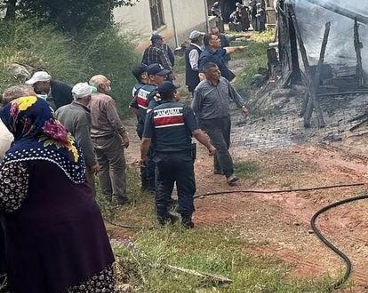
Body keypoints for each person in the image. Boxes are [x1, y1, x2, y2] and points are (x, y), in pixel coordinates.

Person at [0, 96, 118, 293]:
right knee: (81, 278)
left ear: (21, 122)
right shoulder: (65, 140)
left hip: (45, 234)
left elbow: (8, 200)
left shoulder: (20, 154)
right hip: (84, 223)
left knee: (51, 283)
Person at [142, 81, 215, 228]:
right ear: (173, 94)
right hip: (183, 157)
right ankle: (186, 220)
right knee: (185, 188)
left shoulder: (153, 113)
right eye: (177, 91)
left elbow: (146, 140)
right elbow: (196, 132)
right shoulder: (184, 110)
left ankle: (162, 218)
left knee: (163, 186)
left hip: (162, 158)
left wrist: (143, 158)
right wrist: (209, 146)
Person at [192, 63, 248, 185]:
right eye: (214, 71)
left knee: (225, 144)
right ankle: (230, 174)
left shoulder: (224, 82)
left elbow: (234, 94)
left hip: (225, 119)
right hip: (210, 122)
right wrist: (198, 126)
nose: (218, 73)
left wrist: (242, 106)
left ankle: (218, 167)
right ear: (207, 75)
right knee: (222, 147)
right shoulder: (200, 89)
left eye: (218, 70)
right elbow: (195, 109)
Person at [88, 74, 130, 205]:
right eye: (106, 82)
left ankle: (106, 196)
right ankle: (119, 198)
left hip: (93, 139)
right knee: (117, 167)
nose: (109, 83)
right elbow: (115, 121)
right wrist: (124, 135)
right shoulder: (106, 100)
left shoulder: (86, 99)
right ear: (101, 86)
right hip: (109, 139)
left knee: (102, 167)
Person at [54, 83, 97, 185]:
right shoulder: (82, 115)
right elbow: (83, 141)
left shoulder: (61, 110)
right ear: (89, 98)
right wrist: (92, 162)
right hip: (77, 158)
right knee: (87, 187)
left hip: (61, 155)